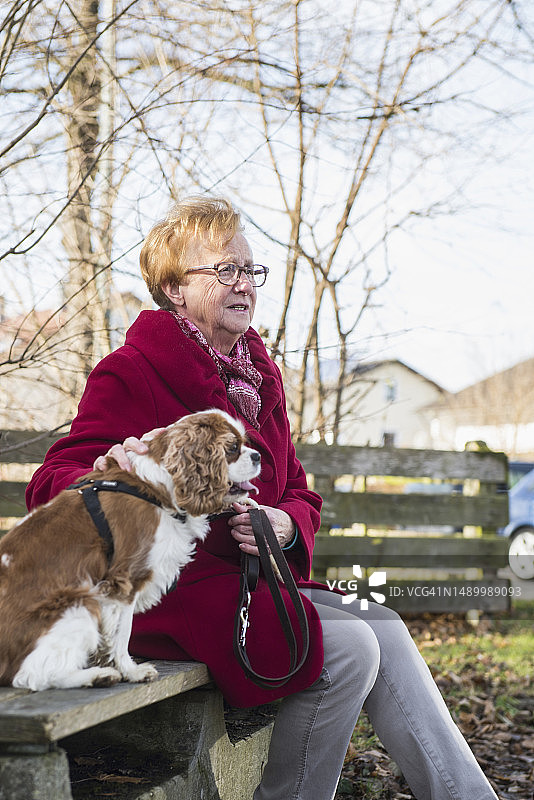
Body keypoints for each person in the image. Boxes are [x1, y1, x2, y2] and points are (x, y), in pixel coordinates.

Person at [26, 196, 498, 800]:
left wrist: (286, 523)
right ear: (174, 288)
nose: (245, 284)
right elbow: (51, 481)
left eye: (251, 270)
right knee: (348, 648)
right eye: (226, 270)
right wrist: (102, 472)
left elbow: (298, 490)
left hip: (251, 585)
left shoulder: (257, 379)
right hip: (172, 594)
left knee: (384, 623)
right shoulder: (132, 371)